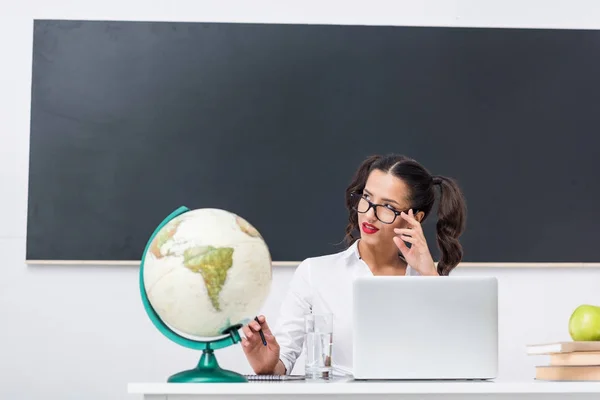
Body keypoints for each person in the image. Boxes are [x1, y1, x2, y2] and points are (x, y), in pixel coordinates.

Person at [241, 153, 467, 376]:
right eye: (367, 198)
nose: (369, 215)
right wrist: (268, 366)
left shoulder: (431, 282)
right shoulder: (315, 273)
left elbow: (459, 360)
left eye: (387, 207)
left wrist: (428, 273)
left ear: (415, 218)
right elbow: (283, 361)